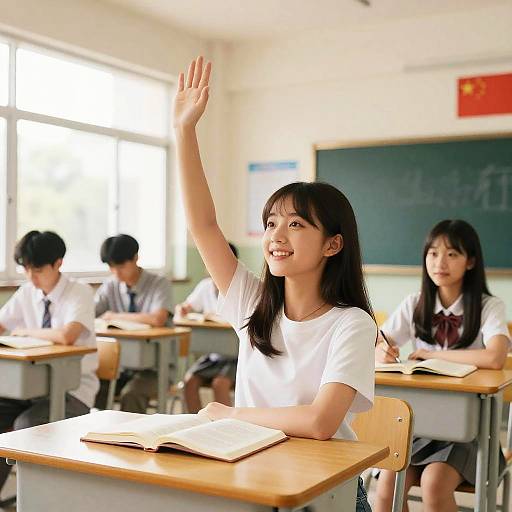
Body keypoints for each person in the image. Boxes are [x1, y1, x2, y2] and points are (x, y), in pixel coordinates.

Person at [173, 56, 376, 512]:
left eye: (297, 224)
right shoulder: (252, 303)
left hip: (328, 486)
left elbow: (321, 422)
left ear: (332, 244)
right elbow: (204, 226)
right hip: (252, 470)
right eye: (270, 223)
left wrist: (233, 415)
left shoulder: (352, 324)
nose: (276, 237)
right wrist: (185, 132)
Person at [374, 219, 510, 512]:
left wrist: (431, 357)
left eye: (452, 254)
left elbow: (495, 357)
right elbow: (377, 343)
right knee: (385, 487)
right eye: (433, 253)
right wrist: (381, 353)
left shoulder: (489, 307)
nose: (440, 262)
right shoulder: (415, 303)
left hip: (470, 432)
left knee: (434, 486)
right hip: (417, 427)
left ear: (471, 261)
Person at [0, 230, 98, 495]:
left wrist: (23, 332)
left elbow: (68, 335)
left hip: (72, 391)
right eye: (26, 269)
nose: (31, 276)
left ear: (58, 263)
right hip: (29, 389)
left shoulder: (79, 292)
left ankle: (37, 499)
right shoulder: (26, 292)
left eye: (38, 269)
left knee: (26, 425)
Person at [94, 234, 172, 413]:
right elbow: (90, 313)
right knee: (94, 389)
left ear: (136, 258)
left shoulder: (159, 284)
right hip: (120, 367)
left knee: (131, 395)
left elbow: (157, 318)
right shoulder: (110, 285)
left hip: (156, 370)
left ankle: (131, 440)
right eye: (111, 267)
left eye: (121, 266)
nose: (116, 273)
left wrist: (114, 316)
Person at [175, 243, 239, 413]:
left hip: (235, 357)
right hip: (213, 355)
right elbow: (187, 306)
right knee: (189, 382)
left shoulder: (240, 288)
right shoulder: (205, 286)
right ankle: (196, 425)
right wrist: (182, 308)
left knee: (220, 384)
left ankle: (225, 428)